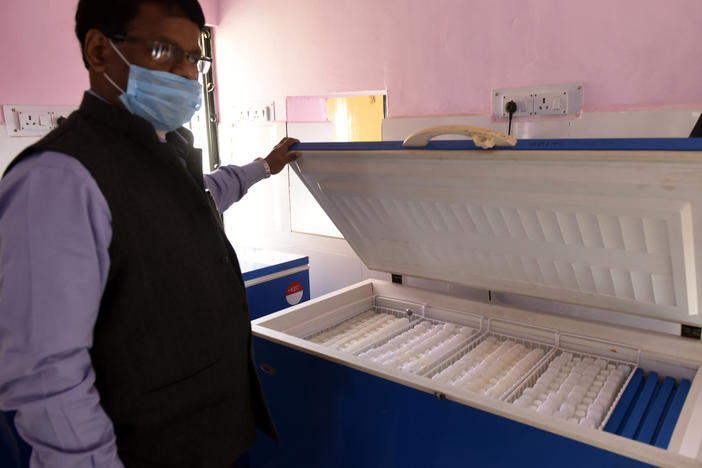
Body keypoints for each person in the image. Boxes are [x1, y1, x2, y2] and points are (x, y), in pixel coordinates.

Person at [0, 0, 300, 466]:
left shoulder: (164, 150)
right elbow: (46, 377)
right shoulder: (60, 178)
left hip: (212, 437)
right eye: (163, 51)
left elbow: (208, 194)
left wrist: (265, 166)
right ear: (100, 51)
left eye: (192, 57)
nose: (185, 73)